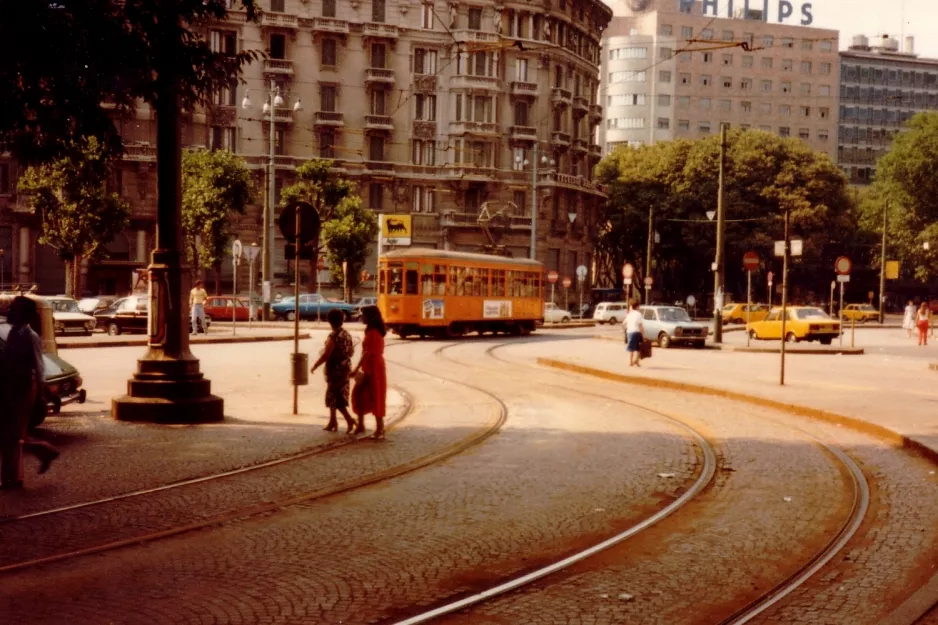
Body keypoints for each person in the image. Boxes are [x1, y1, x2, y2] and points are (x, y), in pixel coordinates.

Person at [1, 297, 60, 490]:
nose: (8, 312)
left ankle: (12, 479)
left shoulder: (30, 336)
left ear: (22, 314)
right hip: (10, 386)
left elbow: (39, 366)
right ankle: (44, 452)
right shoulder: (13, 333)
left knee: (13, 435)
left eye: (12, 309)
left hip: (24, 387)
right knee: (12, 434)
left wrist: (41, 394)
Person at [311, 309, 357, 434]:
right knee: (334, 395)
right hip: (345, 368)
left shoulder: (333, 336)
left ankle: (349, 420)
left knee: (336, 396)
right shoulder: (347, 334)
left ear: (329, 321)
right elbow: (351, 352)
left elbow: (326, 354)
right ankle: (333, 421)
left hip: (334, 369)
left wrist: (315, 365)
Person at [351, 305, 388, 440]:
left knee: (374, 395)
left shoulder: (372, 333)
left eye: (364, 315)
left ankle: (380, 429)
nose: (362, 317)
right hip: (374, 365)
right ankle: (364, 425)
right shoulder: (374, 331)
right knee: (363, 394)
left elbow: (367, 353)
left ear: (370, 317)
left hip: (373, 367)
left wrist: (356, 369)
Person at [623, 300, 644, 367]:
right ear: (637, 307)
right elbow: (640, 326)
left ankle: (631, 362)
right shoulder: (638, 314)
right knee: (639, 348)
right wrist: (643, 335)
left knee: (631, 348)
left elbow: (623, 323)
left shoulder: (629, 314)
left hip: (629, 332)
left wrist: (626, 329)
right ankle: (636, 361)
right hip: (636, 332)